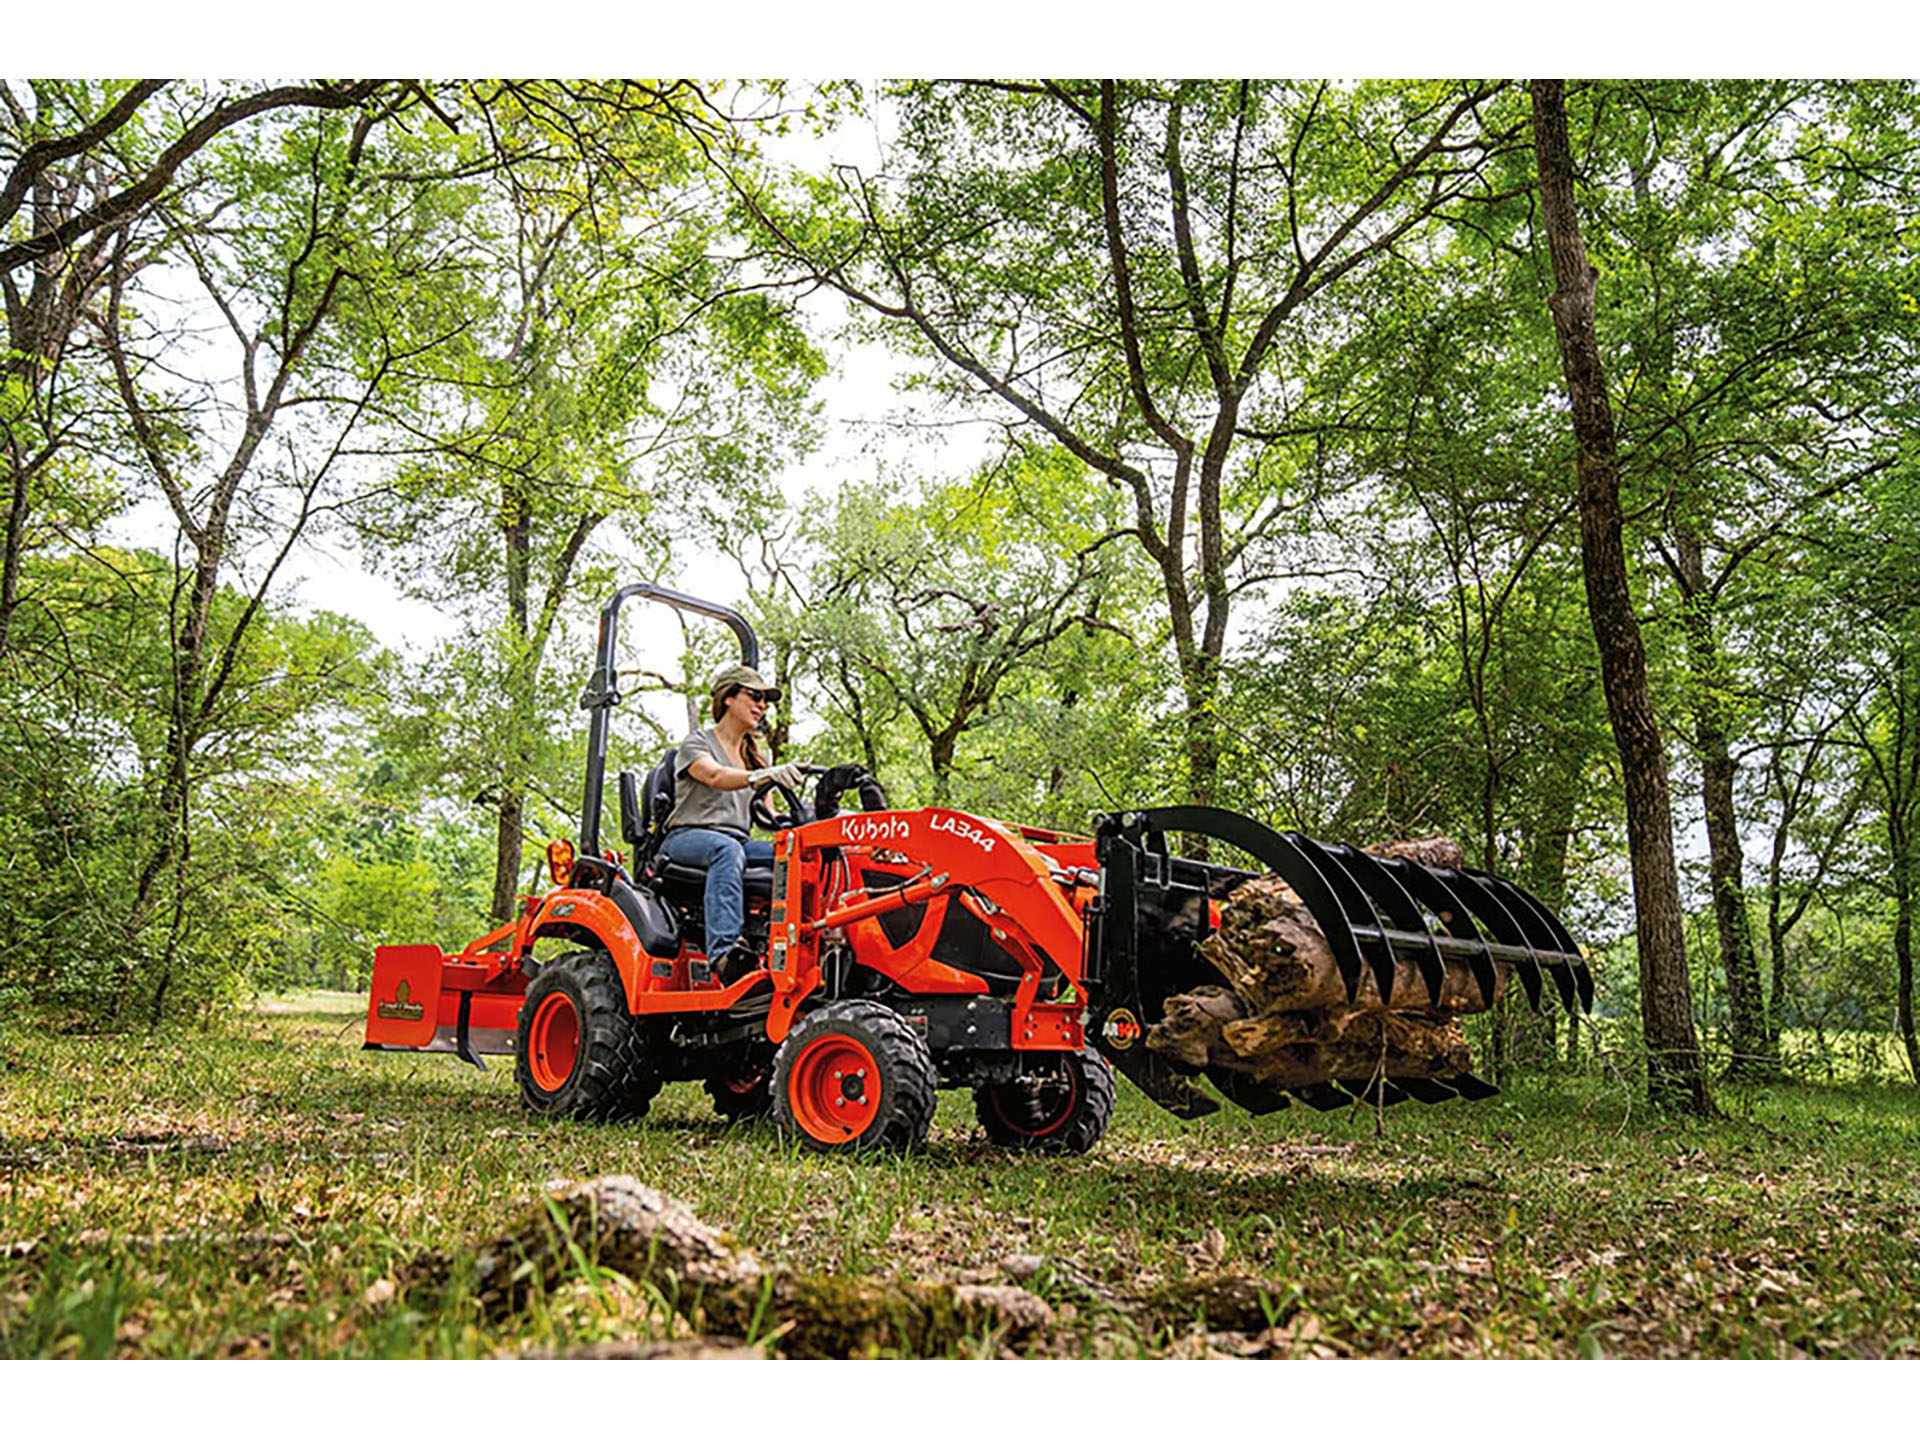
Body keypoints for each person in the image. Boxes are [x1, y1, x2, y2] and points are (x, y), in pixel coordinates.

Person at [659, 663, 805, 978]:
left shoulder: (756, 756)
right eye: (755, 696)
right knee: (726, 850)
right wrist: (758, 776)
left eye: (765, 700)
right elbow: (713, 775)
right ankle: (725, 952)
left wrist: (802, 822)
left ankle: (797, 949)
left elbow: (769, 815)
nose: (762, 706)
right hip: (687, 838)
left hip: (738, 841)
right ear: (729, 698)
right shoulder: (697, 744)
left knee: (797, 855)